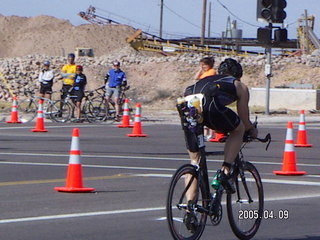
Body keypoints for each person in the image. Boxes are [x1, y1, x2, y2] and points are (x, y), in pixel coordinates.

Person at [178, 58, 258, 201]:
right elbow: (244, 119)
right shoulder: (239, 85)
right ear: (239, 75)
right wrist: (251, 130)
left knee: (195, 162)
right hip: (209, 104)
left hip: (187, 103)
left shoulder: (209, 78)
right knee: (238, 129)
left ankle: (191, 209)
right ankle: (225, 170)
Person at [194, 57, 217, 141]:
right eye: (201, 65)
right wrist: (200, 70)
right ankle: (205, 134)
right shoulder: (204, 72)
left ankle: (211, 134)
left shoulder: (211, 72)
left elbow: (205, 80)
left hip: (208, 94)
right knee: (202, 113)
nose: (203, 67)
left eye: (204, 65)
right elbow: (196, 77)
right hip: (202, 94)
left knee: (208, 113)